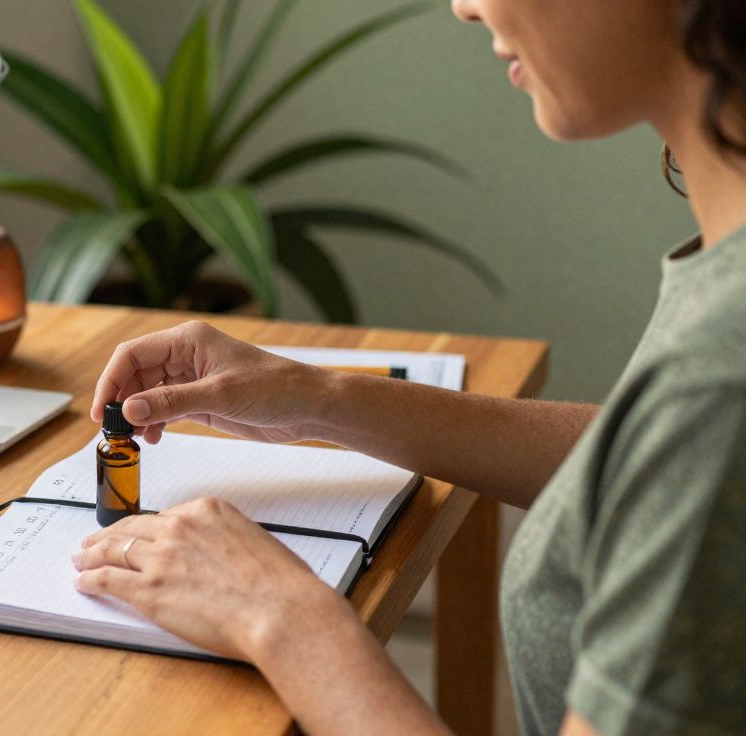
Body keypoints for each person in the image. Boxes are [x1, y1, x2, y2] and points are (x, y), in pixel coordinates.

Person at [72, 0, 746, 733]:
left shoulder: (717, 383)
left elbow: (698, 445)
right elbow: (660, 468)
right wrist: (317, 397)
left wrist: (285, 620)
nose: (463, 5)